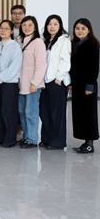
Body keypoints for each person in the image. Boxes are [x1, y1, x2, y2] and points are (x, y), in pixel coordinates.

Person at [39, 15, 71, 150]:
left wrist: (59, 77)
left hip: (56, 81)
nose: (52, 27)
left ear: (60, 26)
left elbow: (65, 60)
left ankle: (57, 142)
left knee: (56, 113)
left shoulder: (64, 40)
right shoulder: (46, 41)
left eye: (55, 24)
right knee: (45, 111)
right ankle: (46, 139)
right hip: (45, 81)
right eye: (49, 24)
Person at [69, 18, 99, 154]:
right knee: (80, 114)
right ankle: (85, 142)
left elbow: (94, 67)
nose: (79, 31)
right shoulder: (74, 44)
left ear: (88, 30)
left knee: (89, 115)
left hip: (87, 86)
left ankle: (90, 144)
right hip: (77, 85)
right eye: (77, 28)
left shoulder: (92, 44)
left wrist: (90, 86)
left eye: (83, 28)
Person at [0, 20, 22, 147]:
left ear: (11, 31)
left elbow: (14, 67)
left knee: (8, 111)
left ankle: (10, 139)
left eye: (6, 28)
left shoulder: (16, 46)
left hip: (9, 83)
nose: (3, 31)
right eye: (1, 28)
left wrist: (0, 78)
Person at [17, 16, 47, 149]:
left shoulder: (38, 42)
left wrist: (35, 82)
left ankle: (32, 139)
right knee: (22, 111)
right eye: (24, 25)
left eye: (30, 25)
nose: (27, 27)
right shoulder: (19, 41)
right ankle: (26, 136)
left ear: (35, 27)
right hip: (21, 84)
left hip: (32, 84)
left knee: (31, 112)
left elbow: (41, 65)